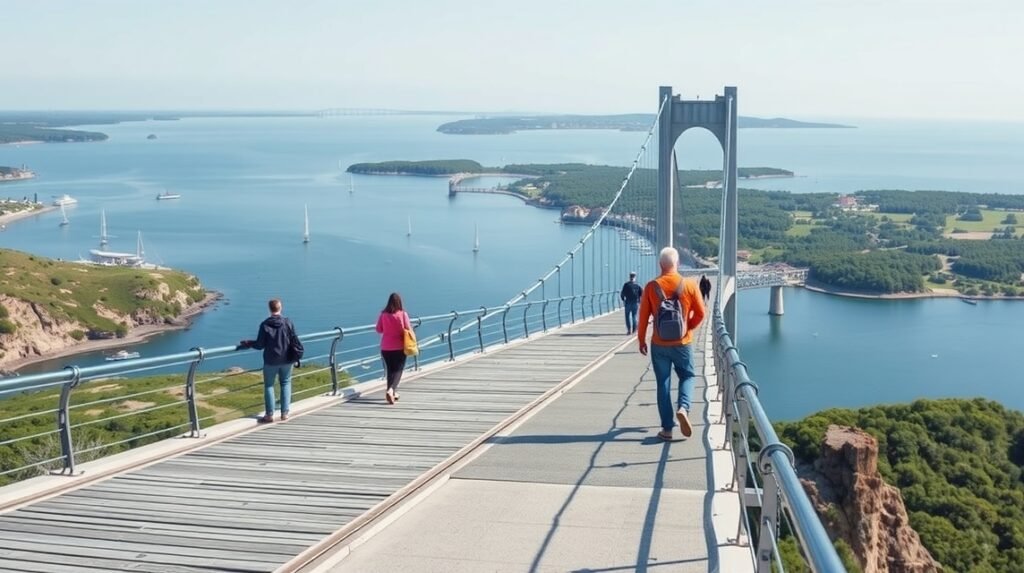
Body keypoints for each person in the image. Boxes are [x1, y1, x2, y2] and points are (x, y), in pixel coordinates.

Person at [638, 247, 706, 441]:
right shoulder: (690, 284)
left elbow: (643, 318)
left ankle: (667, 430)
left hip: (659, 345)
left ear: (660, 265)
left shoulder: (651, 287)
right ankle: (684, 408)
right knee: (687, 375)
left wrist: (641, 340)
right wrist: (688, 329)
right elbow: (701, 313)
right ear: (677, 264)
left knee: (663, 383)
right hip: (682, 343)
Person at [240, 298, 300, 423]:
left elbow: (260, 345)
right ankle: (284, 413)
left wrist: (249, 343)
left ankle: (269, 415)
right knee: (286, 383)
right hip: (287, 359)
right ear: (280, 308)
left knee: (269, 386)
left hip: (271, 360)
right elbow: (294, 339)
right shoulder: (288, 322)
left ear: (269, 309)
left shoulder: (265, 325)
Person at [376, 292, 412, 405]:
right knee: (398, 370)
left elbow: (378, 329)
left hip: (385, 347)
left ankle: (392, 393)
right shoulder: (402, 314)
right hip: (399, 346)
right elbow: (407, 328)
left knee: (390, 371)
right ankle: (391, 390)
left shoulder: (383, 314)